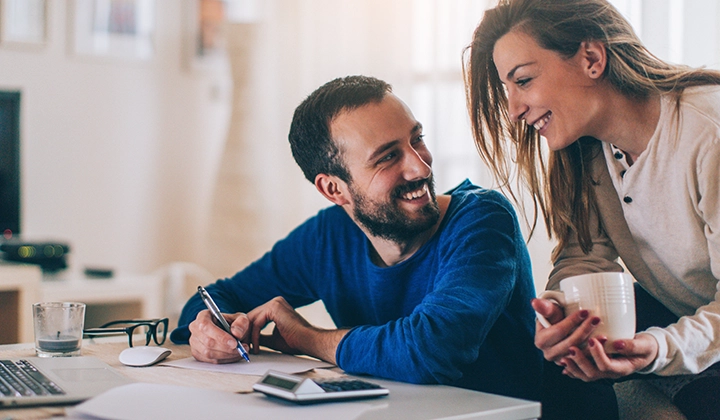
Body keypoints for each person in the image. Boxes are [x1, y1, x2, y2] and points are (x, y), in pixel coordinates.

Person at [169, 75, 542, 400]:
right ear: (334, 189)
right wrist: (208, 330)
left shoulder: (482, 219)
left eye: (417, 139)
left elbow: (432, 350)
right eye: (387, 157)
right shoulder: (327, 238)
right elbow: (214, 300)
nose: (420, 166)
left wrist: (307, 338)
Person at [464, 0, 720, 419]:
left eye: (523, 80)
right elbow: (584, 255)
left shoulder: (708, 133)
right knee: (559, 361)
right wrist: (564, 317)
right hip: (685, 320)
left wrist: (658, 347)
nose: (513, 110)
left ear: (591, 58)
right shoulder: (587, 151)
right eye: (507, 89)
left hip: (703, 332)